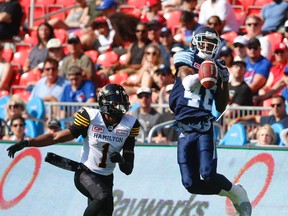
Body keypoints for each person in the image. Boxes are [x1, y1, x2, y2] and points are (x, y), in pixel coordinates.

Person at [7, 83, 140, 216]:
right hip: (86, 173)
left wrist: (121, 160)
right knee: (102, 196)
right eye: (116, 103)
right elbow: (55, 137)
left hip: (107, 178)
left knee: (104, 207)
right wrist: (29, 142)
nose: (120, 107)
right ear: (105, 103)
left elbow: (127, 169)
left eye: (122, 103)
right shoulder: (91, 117)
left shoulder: (130, 124)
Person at [169, 26, 252, 215]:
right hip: (184, 125)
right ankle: (232, 192)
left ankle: (236, 192)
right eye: (204, 41)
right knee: (190, 184)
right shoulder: (186, 57)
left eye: (212, 43)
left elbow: (221, 105)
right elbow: (186, 83)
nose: (207, 45)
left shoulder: (220, 67)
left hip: (204, 123)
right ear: (195, 41)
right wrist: (205, 73)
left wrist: (223, 81)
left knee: (207, 174)